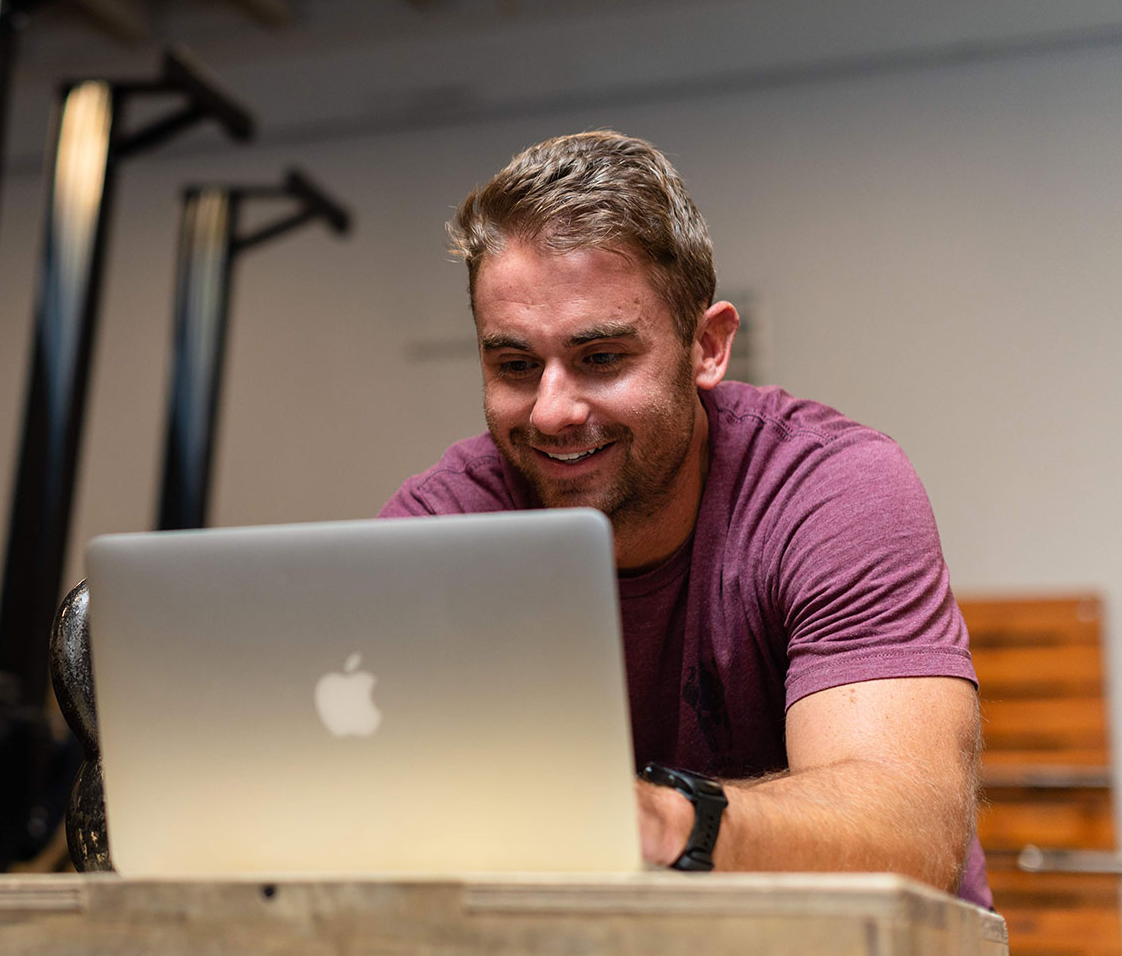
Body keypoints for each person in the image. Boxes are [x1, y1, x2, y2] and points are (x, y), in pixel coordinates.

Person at [380, 130, 987, 904]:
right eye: (514, 366)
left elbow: (908, 836)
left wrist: (660, 823)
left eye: (601, 358)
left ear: (707, 345)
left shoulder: (830, 490)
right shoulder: (443, 527)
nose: (552, 411)